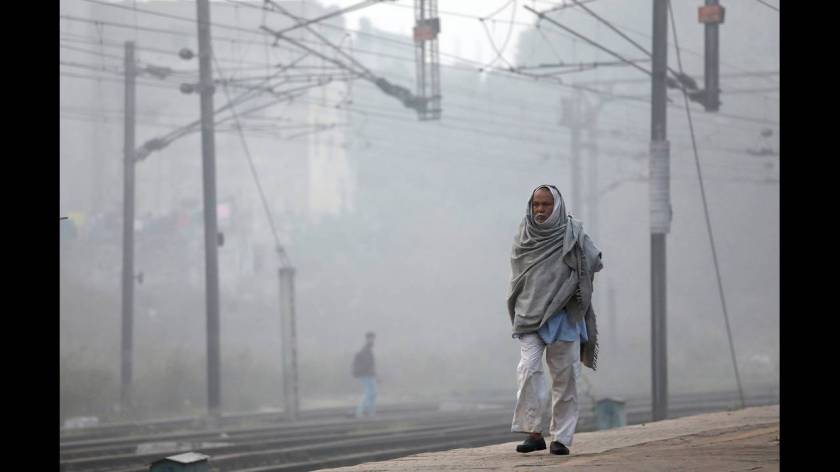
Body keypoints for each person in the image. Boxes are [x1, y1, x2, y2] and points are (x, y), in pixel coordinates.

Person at [507, 185, 603, 456]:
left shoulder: (573, 232)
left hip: (564, 315)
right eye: (536, 204)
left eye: (546, 204)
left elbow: (594, 259)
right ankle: (534, 432)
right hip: (529, 315)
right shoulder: (524, 235)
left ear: (557, 206)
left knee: (565, 377)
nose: (540, 210)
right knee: (528, 369)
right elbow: (518, 275)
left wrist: (575, 281)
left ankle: (561, 437)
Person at [352, 331, 377, 418]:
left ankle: (369, 412)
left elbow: (370, 364)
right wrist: (372, 373)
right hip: (366, 375)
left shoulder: (368, 349)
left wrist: (375, 375)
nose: (372, 340)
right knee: (369, 393)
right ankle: (360, 412)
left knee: (372, 393)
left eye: (373, 338)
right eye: (371, 338)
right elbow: (368, 364)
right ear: (367, 339)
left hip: (368, 375)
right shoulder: (365, 350)